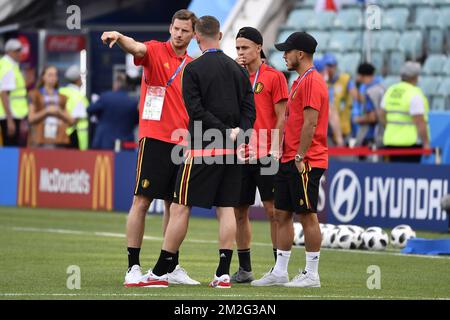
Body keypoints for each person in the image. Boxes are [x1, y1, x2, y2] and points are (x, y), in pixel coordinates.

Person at [140, 15, 255, 288]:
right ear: (220, 36)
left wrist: (225, 131)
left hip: (203, 149)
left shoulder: (194, 69)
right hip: (232, 150)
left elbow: (196, 111)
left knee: (180, 207)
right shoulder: (239, 69)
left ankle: (158, 272)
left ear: (198, 37)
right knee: (226, 209)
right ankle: (223, 274)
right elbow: (250, 110)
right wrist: (240, 133)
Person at [101, 9, 200, 287]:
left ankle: (170, 265)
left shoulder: (194, 65)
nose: (179, 34)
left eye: (185, 31)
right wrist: (119, 36)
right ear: (170, 27)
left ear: (193, 34)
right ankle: (133, 267)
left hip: (183, 143)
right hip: (155, 138)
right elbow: (136, 46)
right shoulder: (155, 51)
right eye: (176, 28)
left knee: (176, 205)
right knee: (142, 201)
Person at [251, 31, 328, 288]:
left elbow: (311, 123)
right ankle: (280, 271)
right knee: (281, 213)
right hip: (288, 158)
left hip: (304, 160)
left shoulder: (312, 82)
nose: (284, 55)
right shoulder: (299, 81)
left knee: (307, 215)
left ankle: (312, 274)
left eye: (288, 51)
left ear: (301, 54)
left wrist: (299, 155)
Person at [232, 27, 288, 283]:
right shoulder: (235, 76)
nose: (241, 53)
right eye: (238, 48)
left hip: (266, 152)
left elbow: (281, 116)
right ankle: (245, 269)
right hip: (241, 153)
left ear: (258, 47)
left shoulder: (274, 77)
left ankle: (279, 269)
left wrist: (275, 148)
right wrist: (234, 74)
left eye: (245, 48)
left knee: (273, 211)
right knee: (239, 211)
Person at [380, 61, 430, 163]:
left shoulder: (391, 90)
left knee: (393, 176)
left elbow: (381, 115)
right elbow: (420, 121)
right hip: (410, 144)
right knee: (409, 176)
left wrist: (390, 128)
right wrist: (426, 143)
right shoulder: (414, 94)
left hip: (390, 141)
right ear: (415, 77)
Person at [87, 73, 138, 150]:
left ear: (116, 84)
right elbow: (137, 121)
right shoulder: (133, 102)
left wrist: (99, 116)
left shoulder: (106, 97)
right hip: (125, 144)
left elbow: (90, 109)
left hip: (104, 142)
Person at [28, 66, 74, 148]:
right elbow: (31, 119)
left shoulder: (62, 97)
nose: (53, 78)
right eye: (50, 75)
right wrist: (46, 111)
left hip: (58, 139)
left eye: (55, 75)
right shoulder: (35, 95)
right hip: (40, 139)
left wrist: (59, 111)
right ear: (43, 77)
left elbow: (71, 120)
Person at [323, 53, 357, 143]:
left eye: (331, 66)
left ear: (335, 66)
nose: (329, 69)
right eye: (327, 66)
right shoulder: (321, 81)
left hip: (343, 126)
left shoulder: (345, 79)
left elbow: (355, 95)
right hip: (326, 129)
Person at [0, 39, 28, 146]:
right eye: (17, 51)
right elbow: (3, 94)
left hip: (10, 114)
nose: (20, 53)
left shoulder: (5, 64)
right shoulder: (8, 68)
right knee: (10, 148)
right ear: (9, 52)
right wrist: (10, 119)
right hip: (10, 115)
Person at [351, 62, 385, 148]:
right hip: (381, 134)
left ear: (361, 76)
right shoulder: (381, 88)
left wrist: (358, 120)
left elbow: (372, 117)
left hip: (370, 137)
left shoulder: (369, 92)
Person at [59, 65, 89, 150]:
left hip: (60, 134)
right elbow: (75, 119)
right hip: (75, 136)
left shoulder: (61, 91)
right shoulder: (79, 96)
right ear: (77, 80)